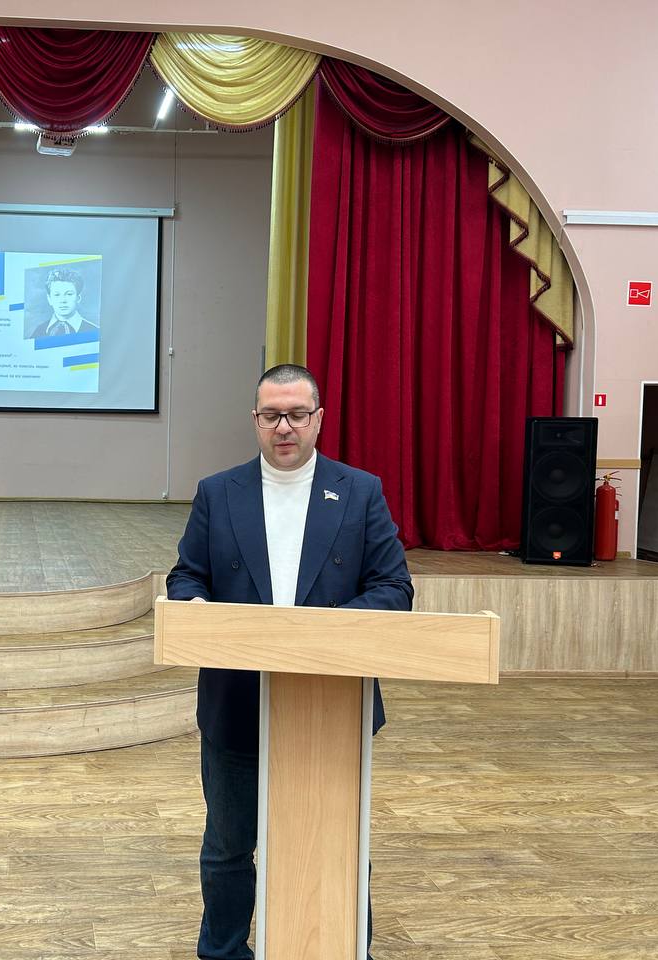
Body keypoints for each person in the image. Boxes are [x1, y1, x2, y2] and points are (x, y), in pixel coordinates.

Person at [165, 363, 413, 960]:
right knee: (228, 846)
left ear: (318, 419)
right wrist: (193, 606)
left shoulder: (360, 491)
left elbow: (394, 587)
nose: (285, 427)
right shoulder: (218, 492)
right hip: (236, 700)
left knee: (338, 838)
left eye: (297, 415)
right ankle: (223, 951)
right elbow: (187, 575)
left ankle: (344, 947)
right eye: (273, 415)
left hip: (332, 705)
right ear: (255, 421)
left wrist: (317, 634)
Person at [30, 267, 98, 337]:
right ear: (49, 299)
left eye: (69, 294)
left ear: (78, 298)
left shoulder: (94, 331)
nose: (63, 301)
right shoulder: (39, 332)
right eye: (57, 295)